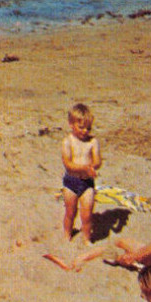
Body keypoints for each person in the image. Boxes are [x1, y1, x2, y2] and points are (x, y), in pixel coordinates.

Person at [61, 103, 102, 241]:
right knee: (70, 212)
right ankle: (67, 234)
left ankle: (86, 238)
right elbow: (68, 164)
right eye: (81, 127)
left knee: (87, 214)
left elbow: (97, 161)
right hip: (71, 182)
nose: (85, 131)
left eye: (88, 128)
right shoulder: (68, 141)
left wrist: (92, 167)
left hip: (87, 183)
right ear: (71, 124)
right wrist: (84, 168)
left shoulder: (93, 141)